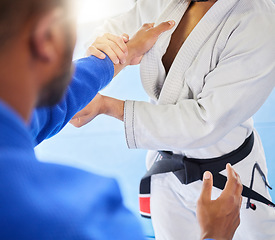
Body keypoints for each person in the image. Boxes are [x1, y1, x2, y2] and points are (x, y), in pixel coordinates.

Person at [0, 0, 242, 239]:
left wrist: (122, 56)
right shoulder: (81, 222)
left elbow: (48, 108)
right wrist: (215, 235)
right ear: (48, 40)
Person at [71, 0, 275, 239]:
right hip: (166, 171)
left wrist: (109, 107)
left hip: (229, 177)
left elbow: (204, 122)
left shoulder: (258, 20)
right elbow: (113, 31)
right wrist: (106, 46)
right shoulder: (165, 2)